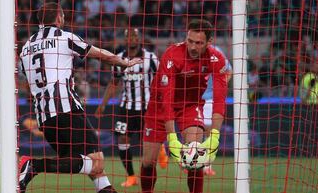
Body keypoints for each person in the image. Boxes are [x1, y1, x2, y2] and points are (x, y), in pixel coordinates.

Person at [19, 2, 142, 193]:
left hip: (44, 116)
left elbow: (27, 80)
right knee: (97, 161)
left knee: (88, 165)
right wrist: (125, 62)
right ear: (59, 17)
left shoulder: (26, 48)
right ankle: (33, 166)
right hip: (66, 109)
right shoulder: (64, 37)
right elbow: (102, 55)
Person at [140, 19, 228, 193]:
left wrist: (215, 135)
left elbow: (219, 99)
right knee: (148, 161)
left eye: (199, 43)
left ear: (209, 42)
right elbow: (167, 98)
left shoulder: (216, 58)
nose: (193, 47)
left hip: (190, 105)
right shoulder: (172, 55)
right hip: (159, 106)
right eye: (190, 41)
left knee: (196, 156)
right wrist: (172, 137)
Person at [94, 28, 168, 187]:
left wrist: (163, 101)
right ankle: (131, 176)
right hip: (126, 108)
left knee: (147, 142)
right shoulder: (118, 59)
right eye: (129, 36)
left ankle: (161, 148)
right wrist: (103, 104)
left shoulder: (151, 58)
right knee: (122, 139)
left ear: (139, 38)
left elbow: (162, 79)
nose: (132, 39)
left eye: (135, 36)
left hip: (148, 108)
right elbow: (114, 83)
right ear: (125, 40)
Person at [201, 45, 232, 176]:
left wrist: (220, 86)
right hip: (191, 98)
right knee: (192, 132)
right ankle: (191, 162)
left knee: (209, 132)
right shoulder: (190, 48)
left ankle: (207, 166)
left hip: (209, 99)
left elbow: (229, 71)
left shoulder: (217, 52)